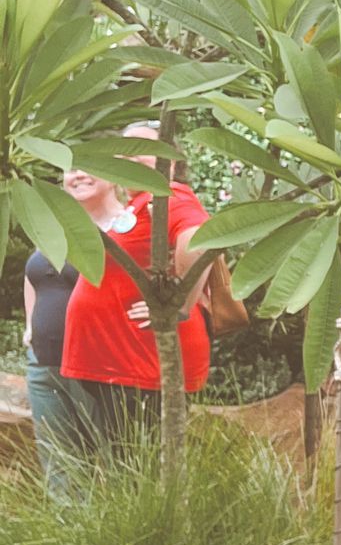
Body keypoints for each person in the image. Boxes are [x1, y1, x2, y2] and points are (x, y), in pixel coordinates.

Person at [60, 130, 212, 443]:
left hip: (139, 363)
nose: (128, 154)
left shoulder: (170, 194)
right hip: (118, 362)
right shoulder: (142, 206)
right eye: (123, 149)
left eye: (140, 147)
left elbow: (198, 239)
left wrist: (180, 303)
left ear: (169, 161)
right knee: (120, 461)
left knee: (134, 465)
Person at [21, 166, 131, 486]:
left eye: (90, 167)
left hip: (102, 364)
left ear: (114, 176)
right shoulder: (55, 226)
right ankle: (67, 532)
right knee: (61, 465)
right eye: (71, 170)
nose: (79, 175)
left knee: (120, 462)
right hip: (45, 362)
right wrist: (30, 325)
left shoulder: (128, 225)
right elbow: (35, 276)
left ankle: (123, 534)